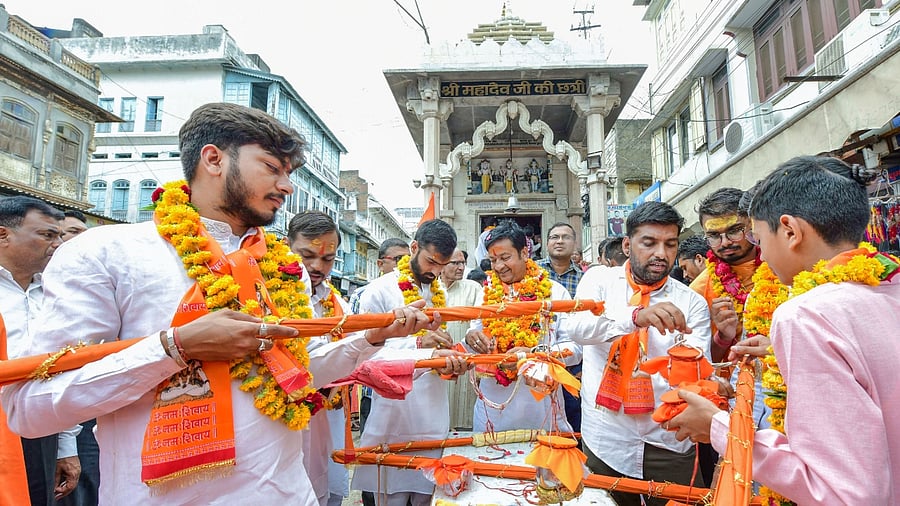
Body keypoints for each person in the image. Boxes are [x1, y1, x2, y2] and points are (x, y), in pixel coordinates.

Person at [1, 103, 445, 505]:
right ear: (213, 159)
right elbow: (31, 408)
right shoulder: (108, 253)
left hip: (287, 494)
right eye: (272, 168)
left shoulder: (278, 264)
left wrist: (370, 338)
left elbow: (300, 372)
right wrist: (173, 348)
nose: (286, 186)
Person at [670, 156, 900, 504]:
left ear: (790, 231)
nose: (759, 251)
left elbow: (842, 491)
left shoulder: (805, 314)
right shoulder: (887, 282)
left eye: (758, 238)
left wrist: (718, 427)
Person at [563, 201, 712, 506]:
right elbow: (576, 328)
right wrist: (634, 317)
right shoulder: (599, 281)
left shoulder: (691, 303)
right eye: (650, 242)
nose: (661, 253)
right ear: (628, 244)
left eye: (670, 244)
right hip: (606, 438)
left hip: (668, 439)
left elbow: (698, 369)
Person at [352, 219, 469, 506]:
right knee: (389, 492)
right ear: (414, 248)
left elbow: (435, 350)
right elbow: (365, 355)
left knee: (427, 492)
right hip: (395, 412)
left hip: (432, 410)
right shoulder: (379, 291)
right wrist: (418, 345)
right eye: (431, 261)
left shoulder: (435, 291)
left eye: (442, 265)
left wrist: (447, 363)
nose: (436, 271)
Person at [0, 196, 82, 505]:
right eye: (47, 235)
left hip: (38, 429)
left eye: (60, 235)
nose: (58, 244)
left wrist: (65, 445)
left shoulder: (58, 294)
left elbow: (61, 369)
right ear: (3, 235)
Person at [464, 222, 580, 433]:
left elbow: (575, 350)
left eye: (505, 258)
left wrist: (536, 354)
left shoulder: (555, 293)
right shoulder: (485, 294)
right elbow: (475, 335)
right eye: (493, 260)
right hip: (493, 409)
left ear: (525, 253)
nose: (499, 266)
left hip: (541, 407)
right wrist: (471, 337)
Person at [286, 210, 350, 506]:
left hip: (324, 416)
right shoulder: (267, 294)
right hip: (280, 421)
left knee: (322, 486)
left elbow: (357, 347)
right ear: (287, 247)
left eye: (327, 259)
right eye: (307, 255)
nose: (316, 266)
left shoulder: (335, 302)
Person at [689, 187, 760, 363]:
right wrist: (723, 337)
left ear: (752, 225)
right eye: (714, 235)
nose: (725, 242)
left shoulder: (783, 268)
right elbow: (697, 362)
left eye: (735, 230)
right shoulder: (697, 291)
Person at [537, 223, 584, 433]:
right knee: (543, 415)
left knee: (573, 410)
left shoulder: (585, 278)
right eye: (554, 237)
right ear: (547, 243)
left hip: (573, 357)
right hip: (540, 358)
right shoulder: (534, 274)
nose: (560, 241)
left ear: (574, 244)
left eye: (566, 237)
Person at [440, 248, 482, 430]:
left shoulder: (473, 288)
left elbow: (480, 325)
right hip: (438, 360)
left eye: (462, 263)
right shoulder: (429, 289)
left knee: (465, 408)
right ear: (441, 264)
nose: (460, 267)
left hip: (466, 360)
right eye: (454, 263)